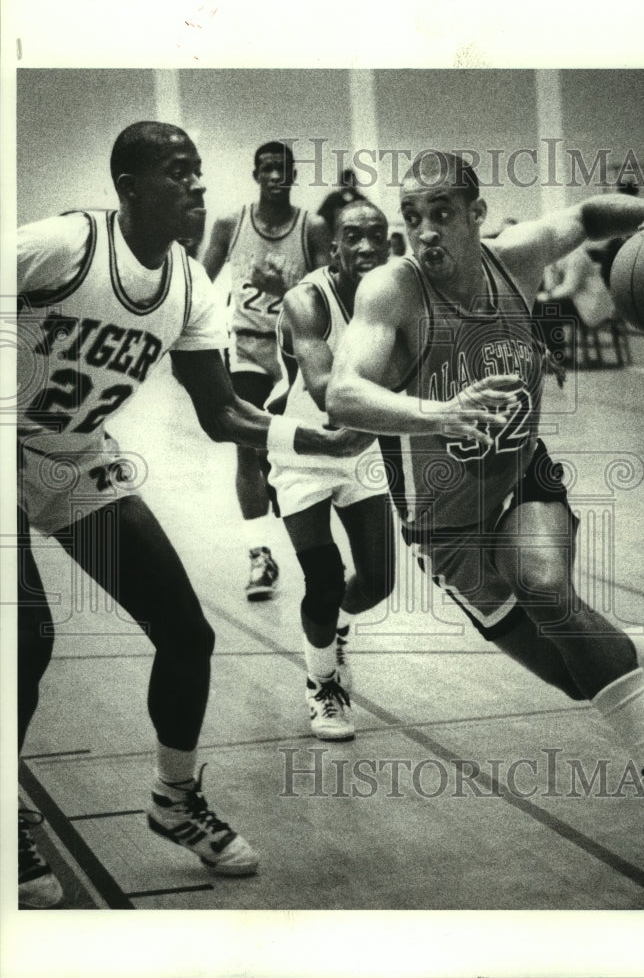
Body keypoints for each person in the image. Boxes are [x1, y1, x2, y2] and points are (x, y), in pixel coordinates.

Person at [327, 150, 644, 854]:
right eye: (413, 218)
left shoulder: (513, 260)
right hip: (444, 527)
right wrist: (439, 414)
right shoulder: (390, 291)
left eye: (441, 215)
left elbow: (584, 217)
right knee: (577, 674)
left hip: (523, 479)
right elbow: (344, 393)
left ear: (475, 215)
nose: (424, 231)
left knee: (545, 587)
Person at [16, 121, 370, 908]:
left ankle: (174, 798)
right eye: (180, 172)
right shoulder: (62, 246)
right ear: (131, 188)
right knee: (27, 638)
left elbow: (221, 413)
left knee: (186, 632)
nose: (198, 186)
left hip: (73, 456)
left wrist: (315, 434)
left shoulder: (189, 287)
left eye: (200, 172)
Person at [268, 200, 396, 739]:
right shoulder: (307, 301)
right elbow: (325, 389)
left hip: (362, 448)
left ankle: (331, 631)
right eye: (353, 237)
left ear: (391, 244)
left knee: (378, 581)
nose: (365, 246)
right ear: (334, 247)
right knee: (322, 579)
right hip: (305, 449)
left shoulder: (399, 293)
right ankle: (323, 687)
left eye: (376, 235)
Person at [202, 141, 332, 601]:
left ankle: (311, 545)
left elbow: (327, 295)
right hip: (247, 348)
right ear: (255, 173)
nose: (277, 176)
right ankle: (259, 554)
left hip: (297, 354)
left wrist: (286, 287)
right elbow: (199, 282)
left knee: (298, 451)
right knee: (243, 447)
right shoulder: (229, 223)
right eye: (268, 168)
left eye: (285, 169)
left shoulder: (312, 226)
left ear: (294, 175)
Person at [316, 168, 366, 235]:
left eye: (353, 181)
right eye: (349, 180)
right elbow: (321, 215)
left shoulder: (360, 199)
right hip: (335, 235)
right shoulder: (333, 198)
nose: (352, 183)